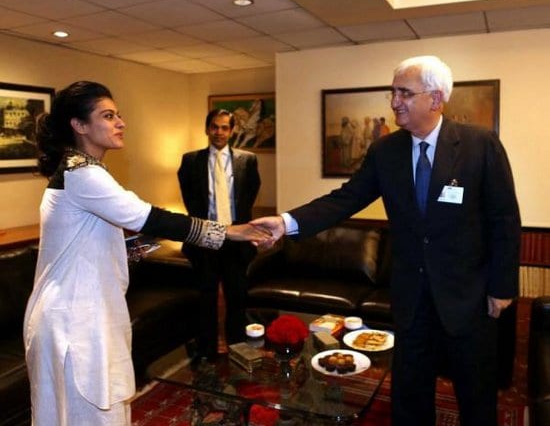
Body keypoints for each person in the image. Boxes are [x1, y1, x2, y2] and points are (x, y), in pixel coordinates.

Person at [252, 55, 521, 426]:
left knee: (475, 394)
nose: (394, 101)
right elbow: (344, 199)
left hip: (468, 297)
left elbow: (504, 220)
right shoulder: (386, 151)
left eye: (404, 93)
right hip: (411, 296)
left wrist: (502, 287)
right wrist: (287, 222)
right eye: (392, 92)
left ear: (436, 98)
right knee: (409, 394)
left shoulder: (480, 145)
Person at [23, 82, 269, 426]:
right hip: (73, 319)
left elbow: (92, 244)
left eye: (118, 115)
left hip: (82, 310)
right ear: (78, 126)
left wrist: (138, 248)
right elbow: (148, 216)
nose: (120, 122)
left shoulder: (79, 171)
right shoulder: (82, 174)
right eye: (108, 116)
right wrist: (231, 232)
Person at [177, 108, 261, 360]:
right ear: (207, 129)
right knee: (207, 295)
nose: (219, 132)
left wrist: (239, 226)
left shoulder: (248, 160)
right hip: (205, 238)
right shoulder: (190, 161)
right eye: (214, 126)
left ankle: (238, 349)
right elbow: (190, 198)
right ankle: (207, 351)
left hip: (236, 238)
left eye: (225, 127)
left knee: (237, 295)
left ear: (232, 131)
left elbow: (250, 194)